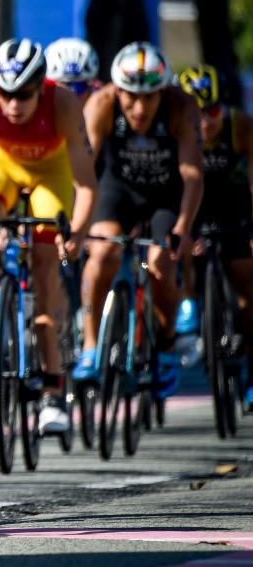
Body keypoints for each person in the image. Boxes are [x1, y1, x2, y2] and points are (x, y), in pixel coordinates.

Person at [0, 38, 97, 435]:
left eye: (23, 95)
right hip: (0, 166)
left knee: (45, 270)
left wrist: (77, 231)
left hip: (51, 173)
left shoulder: (63, 104)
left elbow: (86, 184)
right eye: (4, 94)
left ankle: (53, 391)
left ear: (41, 86)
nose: (12, 104)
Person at [77, 42, 202, 400]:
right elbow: (82, 168)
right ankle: (90, 345)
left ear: (163, 92)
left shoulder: (181, 108)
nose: (140, 108)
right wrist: (79, 224)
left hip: (165, 195)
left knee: (161, 261)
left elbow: (193, 175)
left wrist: (183, 227)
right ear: (117, 90)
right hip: (117, 190)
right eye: (131, 97)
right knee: (102, 253)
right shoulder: (100, 105)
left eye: (149, 98)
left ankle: (166, 343)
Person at [177, 64, 253, 407]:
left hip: (232, 203)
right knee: (178, 246)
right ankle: (189, 303)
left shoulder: (240, 126)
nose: (205, 121)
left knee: (246, 281)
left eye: (212, 111)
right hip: (191, 204)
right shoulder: (175, 128)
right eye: (196, 114)